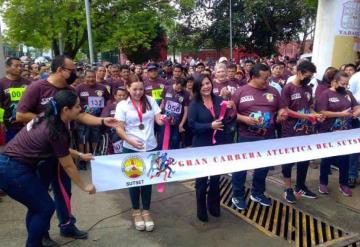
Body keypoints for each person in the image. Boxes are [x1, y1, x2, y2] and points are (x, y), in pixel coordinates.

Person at [16, 55, 118, 246]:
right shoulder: (37, 87)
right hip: (42, 154)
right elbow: (21, 114)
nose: (75, 73)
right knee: (40, 198)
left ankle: (67, 225)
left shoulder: (70, 90)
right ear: (60, 70)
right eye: (72, 69)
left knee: (64, 191)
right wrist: (50, 120)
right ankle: (41, 233)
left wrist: (103, 121)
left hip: (63, 147)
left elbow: (80, 114)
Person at [0, 90, 96, 247]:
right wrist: (85, 186)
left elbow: (59, 148)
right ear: (66, 110)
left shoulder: (45, 117)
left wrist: (79, 154)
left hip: (10, 165)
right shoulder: (56, 130)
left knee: (37, 206)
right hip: (14, 170)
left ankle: (35, 243)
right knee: (45, 208)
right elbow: (67, 165)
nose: (81, 109)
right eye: (78, 106)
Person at [231, 64, 286, 210]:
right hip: (246, 137)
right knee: (241, 167)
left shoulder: (273, 91)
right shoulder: (240, 92)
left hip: (268, 137)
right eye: (264, 78)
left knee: (263, 167)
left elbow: (281, 107)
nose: (267, 81)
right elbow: (230, 115)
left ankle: (257, 192)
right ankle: (237, 195)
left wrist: (281, 113)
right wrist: (244, 119)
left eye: (268, 78)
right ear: (253, 77)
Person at [115, 75, 164, 232]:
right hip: (131, 147)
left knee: (148, 180)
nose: (138, 92)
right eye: (134, 89)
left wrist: (165, 119)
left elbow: (158, 120)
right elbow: (119, 128)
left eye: (141, 89)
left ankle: (147, 211)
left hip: (150, 146)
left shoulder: (150, 100)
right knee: (135, 180)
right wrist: (130, 141)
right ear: (128, 88)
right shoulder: (122, 105)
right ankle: (136, 211)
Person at [188, 74, 236, 222]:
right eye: (202, 85)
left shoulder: (220, 100)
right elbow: (192, 125)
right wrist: (210, 126)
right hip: (201, 146)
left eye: (208, 83)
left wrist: (232, 109)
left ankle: (214, 206)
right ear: (197, 87)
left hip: (218, 145)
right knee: (201, 181)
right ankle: (201, 210)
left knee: (215, 178)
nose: (206, 86)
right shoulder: (194, 104)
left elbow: (228, 121)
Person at [280, 61, 322, 203]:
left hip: (306, 131)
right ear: (299, 73)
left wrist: (316, 114)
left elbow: (310, 107)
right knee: (288, 160)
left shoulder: (308, 89)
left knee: (304, 159)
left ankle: (301, 186)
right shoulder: (288, 88)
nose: (309, 79)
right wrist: (306, 116)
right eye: (307, 76)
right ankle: (288, 188)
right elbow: (285, 110)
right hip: (290, 131)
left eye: (311, 76)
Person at [316, 71, 360, 196]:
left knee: (344, 159)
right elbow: (322, 112)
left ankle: (343, 184)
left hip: (345, 133)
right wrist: (342, 114)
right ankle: (323, 183)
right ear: (334, 82)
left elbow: (356, 107)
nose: (345, 86)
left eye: (347, 84)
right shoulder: (326, 94)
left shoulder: (348, 94)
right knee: (327, 158)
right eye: (342, 83)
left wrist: (357, 111)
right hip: (328, 132)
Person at [75, 69, 110, 169]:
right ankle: (82, 160)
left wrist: (104, 113)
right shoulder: (79, 88)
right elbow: (73, 102)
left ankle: (95, 158)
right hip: (82, 118)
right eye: (88, 77)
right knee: (82, 139)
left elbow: (108, 100)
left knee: (95, 137)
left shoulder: (102, 88)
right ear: (84, 78)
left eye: (92, 77)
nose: (90, 79)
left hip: (97, 118)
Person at [0, 57, 31, 143]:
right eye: (16, 66)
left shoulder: (28, 83)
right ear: (8, 67)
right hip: (9, 127)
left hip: (26, 125)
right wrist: (1, 122)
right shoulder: (2, 83)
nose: (20, 68)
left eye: (21, 65)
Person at [160, 78, 190, 149]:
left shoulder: (186, 94)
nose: (179, 90)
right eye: (178, 88)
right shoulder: (167, 88)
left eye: (181, 88)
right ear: (175, 83)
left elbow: (186, 111)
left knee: (175, 140)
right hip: (165, 121)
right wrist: (158, 113)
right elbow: (162, 103)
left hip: (176, 123)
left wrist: (181, 124)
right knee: (164, 140)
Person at [348, 67, 360, 187]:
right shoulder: (356, 77)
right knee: (355, 149)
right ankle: (351, 175)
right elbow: (349, 97)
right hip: (358, 119)